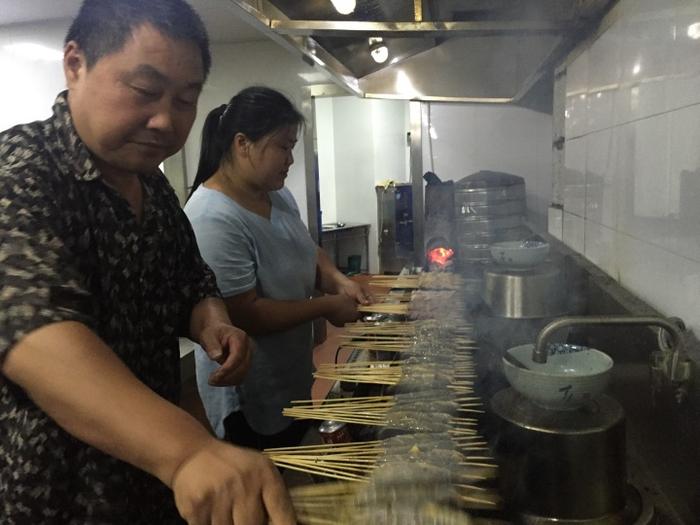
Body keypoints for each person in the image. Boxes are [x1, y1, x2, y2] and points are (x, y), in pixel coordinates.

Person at [0, 1, 295, 524]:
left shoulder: (152, 185)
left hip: (152, 491)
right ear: (75, 64)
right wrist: (189, 452)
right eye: (143, 91)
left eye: (185, 99)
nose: (165, 120)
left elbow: (191, 277)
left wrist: (213, 322)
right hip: (55, 500)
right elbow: (37, 333)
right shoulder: (19, 172)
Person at [185, 86, 371, 450]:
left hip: (291, 375)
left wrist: (337, 281)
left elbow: (306, 249)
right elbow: (244, 314)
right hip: (250, 393)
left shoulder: (276, 194)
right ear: (243, 144)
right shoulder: (212, 217)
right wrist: (326, 307)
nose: (290, 160)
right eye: (283, 147)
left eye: (292, 148)